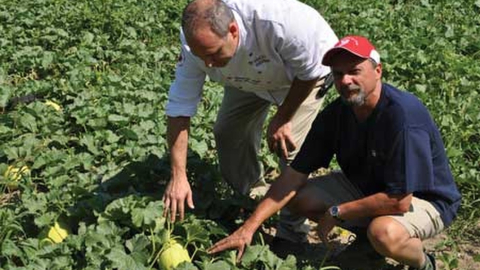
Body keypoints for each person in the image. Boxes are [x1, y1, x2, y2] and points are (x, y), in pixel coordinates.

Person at [207, 35, 461, 270]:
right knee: (298, 198)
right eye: (338, 74)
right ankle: (367, 244)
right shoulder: (338, 113)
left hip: (424, 198)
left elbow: (399, 200)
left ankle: (423, 262)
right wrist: (249, 228)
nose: (345, 80)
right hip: (368, 188)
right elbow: (293, 177)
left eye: (354, 71)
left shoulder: (403, 118)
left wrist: (338, 211)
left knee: (385, 233)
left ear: (378, 72)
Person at [163, 0, 338, 246]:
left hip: (302, 76)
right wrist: (178, 175)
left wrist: (283, 117)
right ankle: (249, 197)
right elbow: (180, 107)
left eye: (213, 54)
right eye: (203, 58)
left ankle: (292, 232)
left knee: (292, 148)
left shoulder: (282, 24)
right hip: (248, 77)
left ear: (233, 31)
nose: (208, 64)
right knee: (228, 133)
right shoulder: (197, 43)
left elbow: (308, 71)